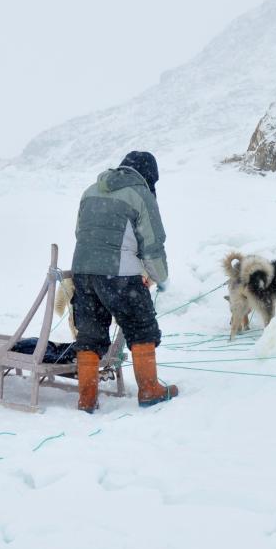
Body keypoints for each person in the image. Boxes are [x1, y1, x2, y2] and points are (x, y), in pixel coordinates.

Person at [69, 150, 179, 413]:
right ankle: (149, 389)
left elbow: (80, 231)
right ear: (149, 176)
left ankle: (86, 398)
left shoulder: (90, 190)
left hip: (83, 271)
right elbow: (153, 244)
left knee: (90, 333)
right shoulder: (140, 194)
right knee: (141, 326)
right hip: (119, 275)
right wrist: (159, 278)